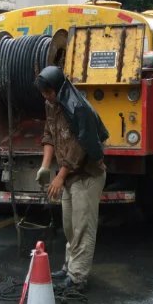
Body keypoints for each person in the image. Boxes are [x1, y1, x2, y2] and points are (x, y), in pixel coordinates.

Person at [35, 65, 108, 292]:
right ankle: (70, 267)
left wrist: (60, 176)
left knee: (82, 228)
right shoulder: (51, 104)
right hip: (69, 176)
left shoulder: (78, 108)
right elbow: (49, 134)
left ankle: (78, 277)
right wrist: (45, 167)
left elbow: (79, 147)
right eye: (44, 93)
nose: (46, 97)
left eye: (49, 92)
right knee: (69, 225)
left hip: (87, 174)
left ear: (58, 88)